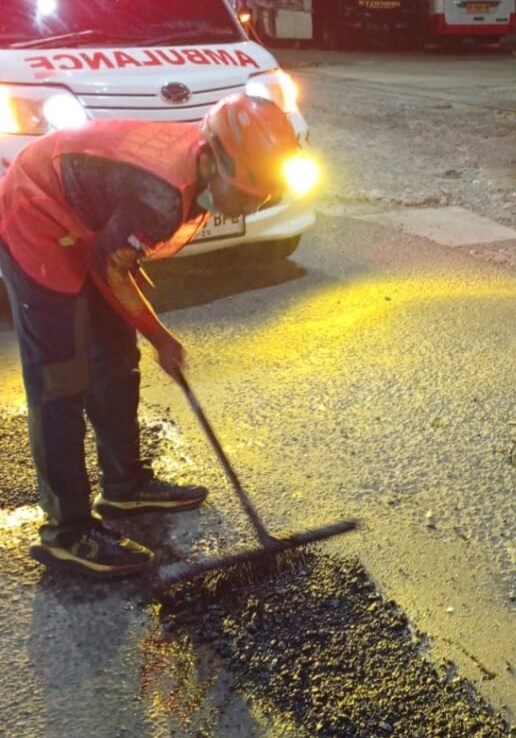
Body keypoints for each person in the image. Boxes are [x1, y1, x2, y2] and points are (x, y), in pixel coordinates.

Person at [0, 94, 300, 579]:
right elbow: (110, 267)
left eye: (259, 197)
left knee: (116, 358)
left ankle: (124, 486)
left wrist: (150, 335)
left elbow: (115, 260)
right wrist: (162, 337)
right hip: (35, 212)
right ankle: (67, 531)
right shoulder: (160, 195)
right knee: (60, 380)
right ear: (210, 159)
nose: (249, 204)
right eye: (243, 193)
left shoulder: (195, 166)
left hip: (89, 222)